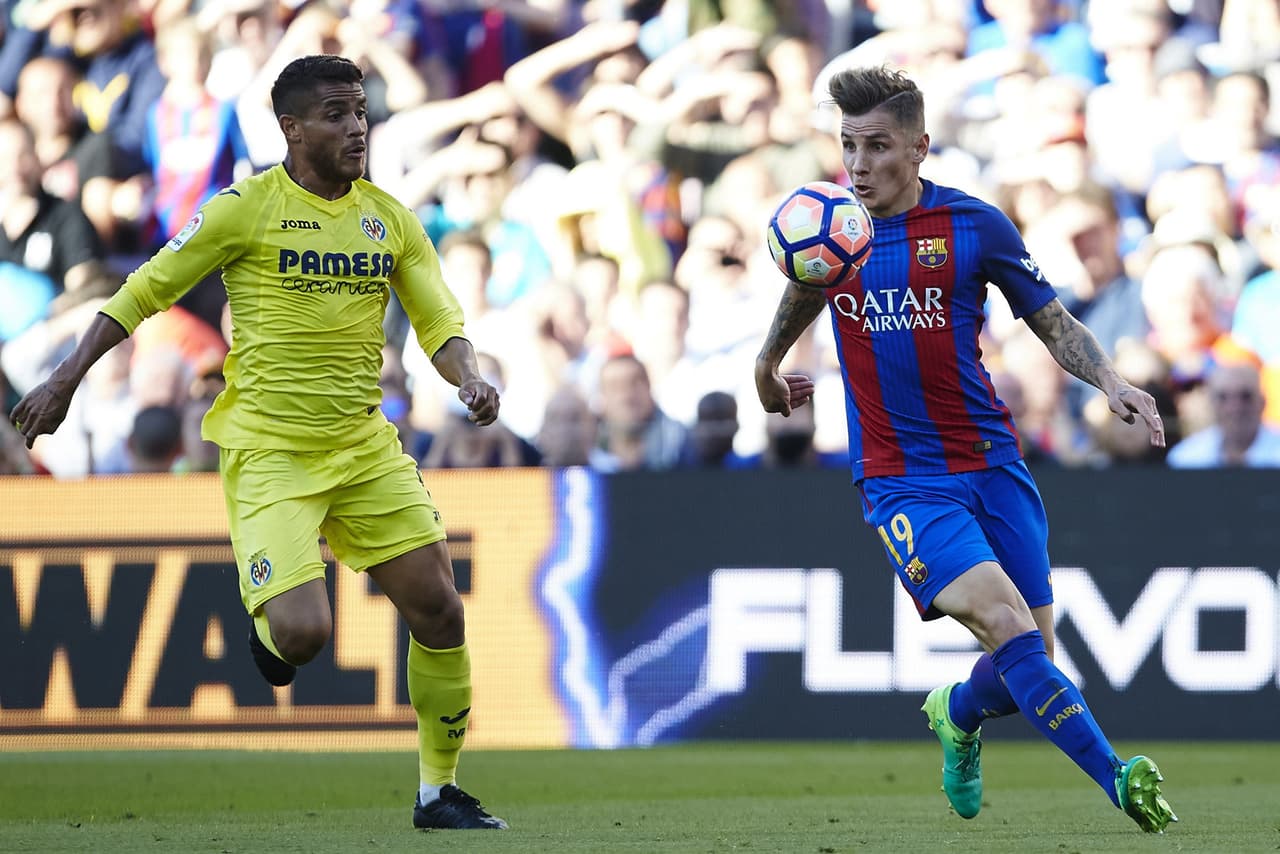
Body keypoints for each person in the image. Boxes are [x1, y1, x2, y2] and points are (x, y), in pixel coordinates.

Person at [9, 55, 507, 831]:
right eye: (337, 115)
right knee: (304, 636)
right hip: (271, 452)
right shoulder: (244, 209)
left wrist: (467, 378)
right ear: (292, 129)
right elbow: (143, 289)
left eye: (361, 113)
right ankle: (272, 630)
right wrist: (65, 379)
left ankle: (438, 792)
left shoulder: (391, 219)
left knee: (441, 610)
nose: (356, 128)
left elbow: (441, 323)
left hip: (365, 449)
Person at [754, 66, 1176, 833]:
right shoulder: (833, 229)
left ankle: (957, 711)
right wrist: (766, 361)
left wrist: (1108, 379)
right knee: (1010, 631)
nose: (856, 165)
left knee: (1028, 670)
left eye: (876, 146)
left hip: (993, 465)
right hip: (903, 483)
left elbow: (1051, 322)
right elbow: (806, 284)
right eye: (847, 145)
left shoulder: (975, 225)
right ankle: (1117, 777)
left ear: (919, 148)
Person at [1166, 361, 1280, 468]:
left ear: (1262, 402)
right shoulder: (1186, 458)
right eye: (1223, 398)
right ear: (1211, 404)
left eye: (1246, 396)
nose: (1234, 408)